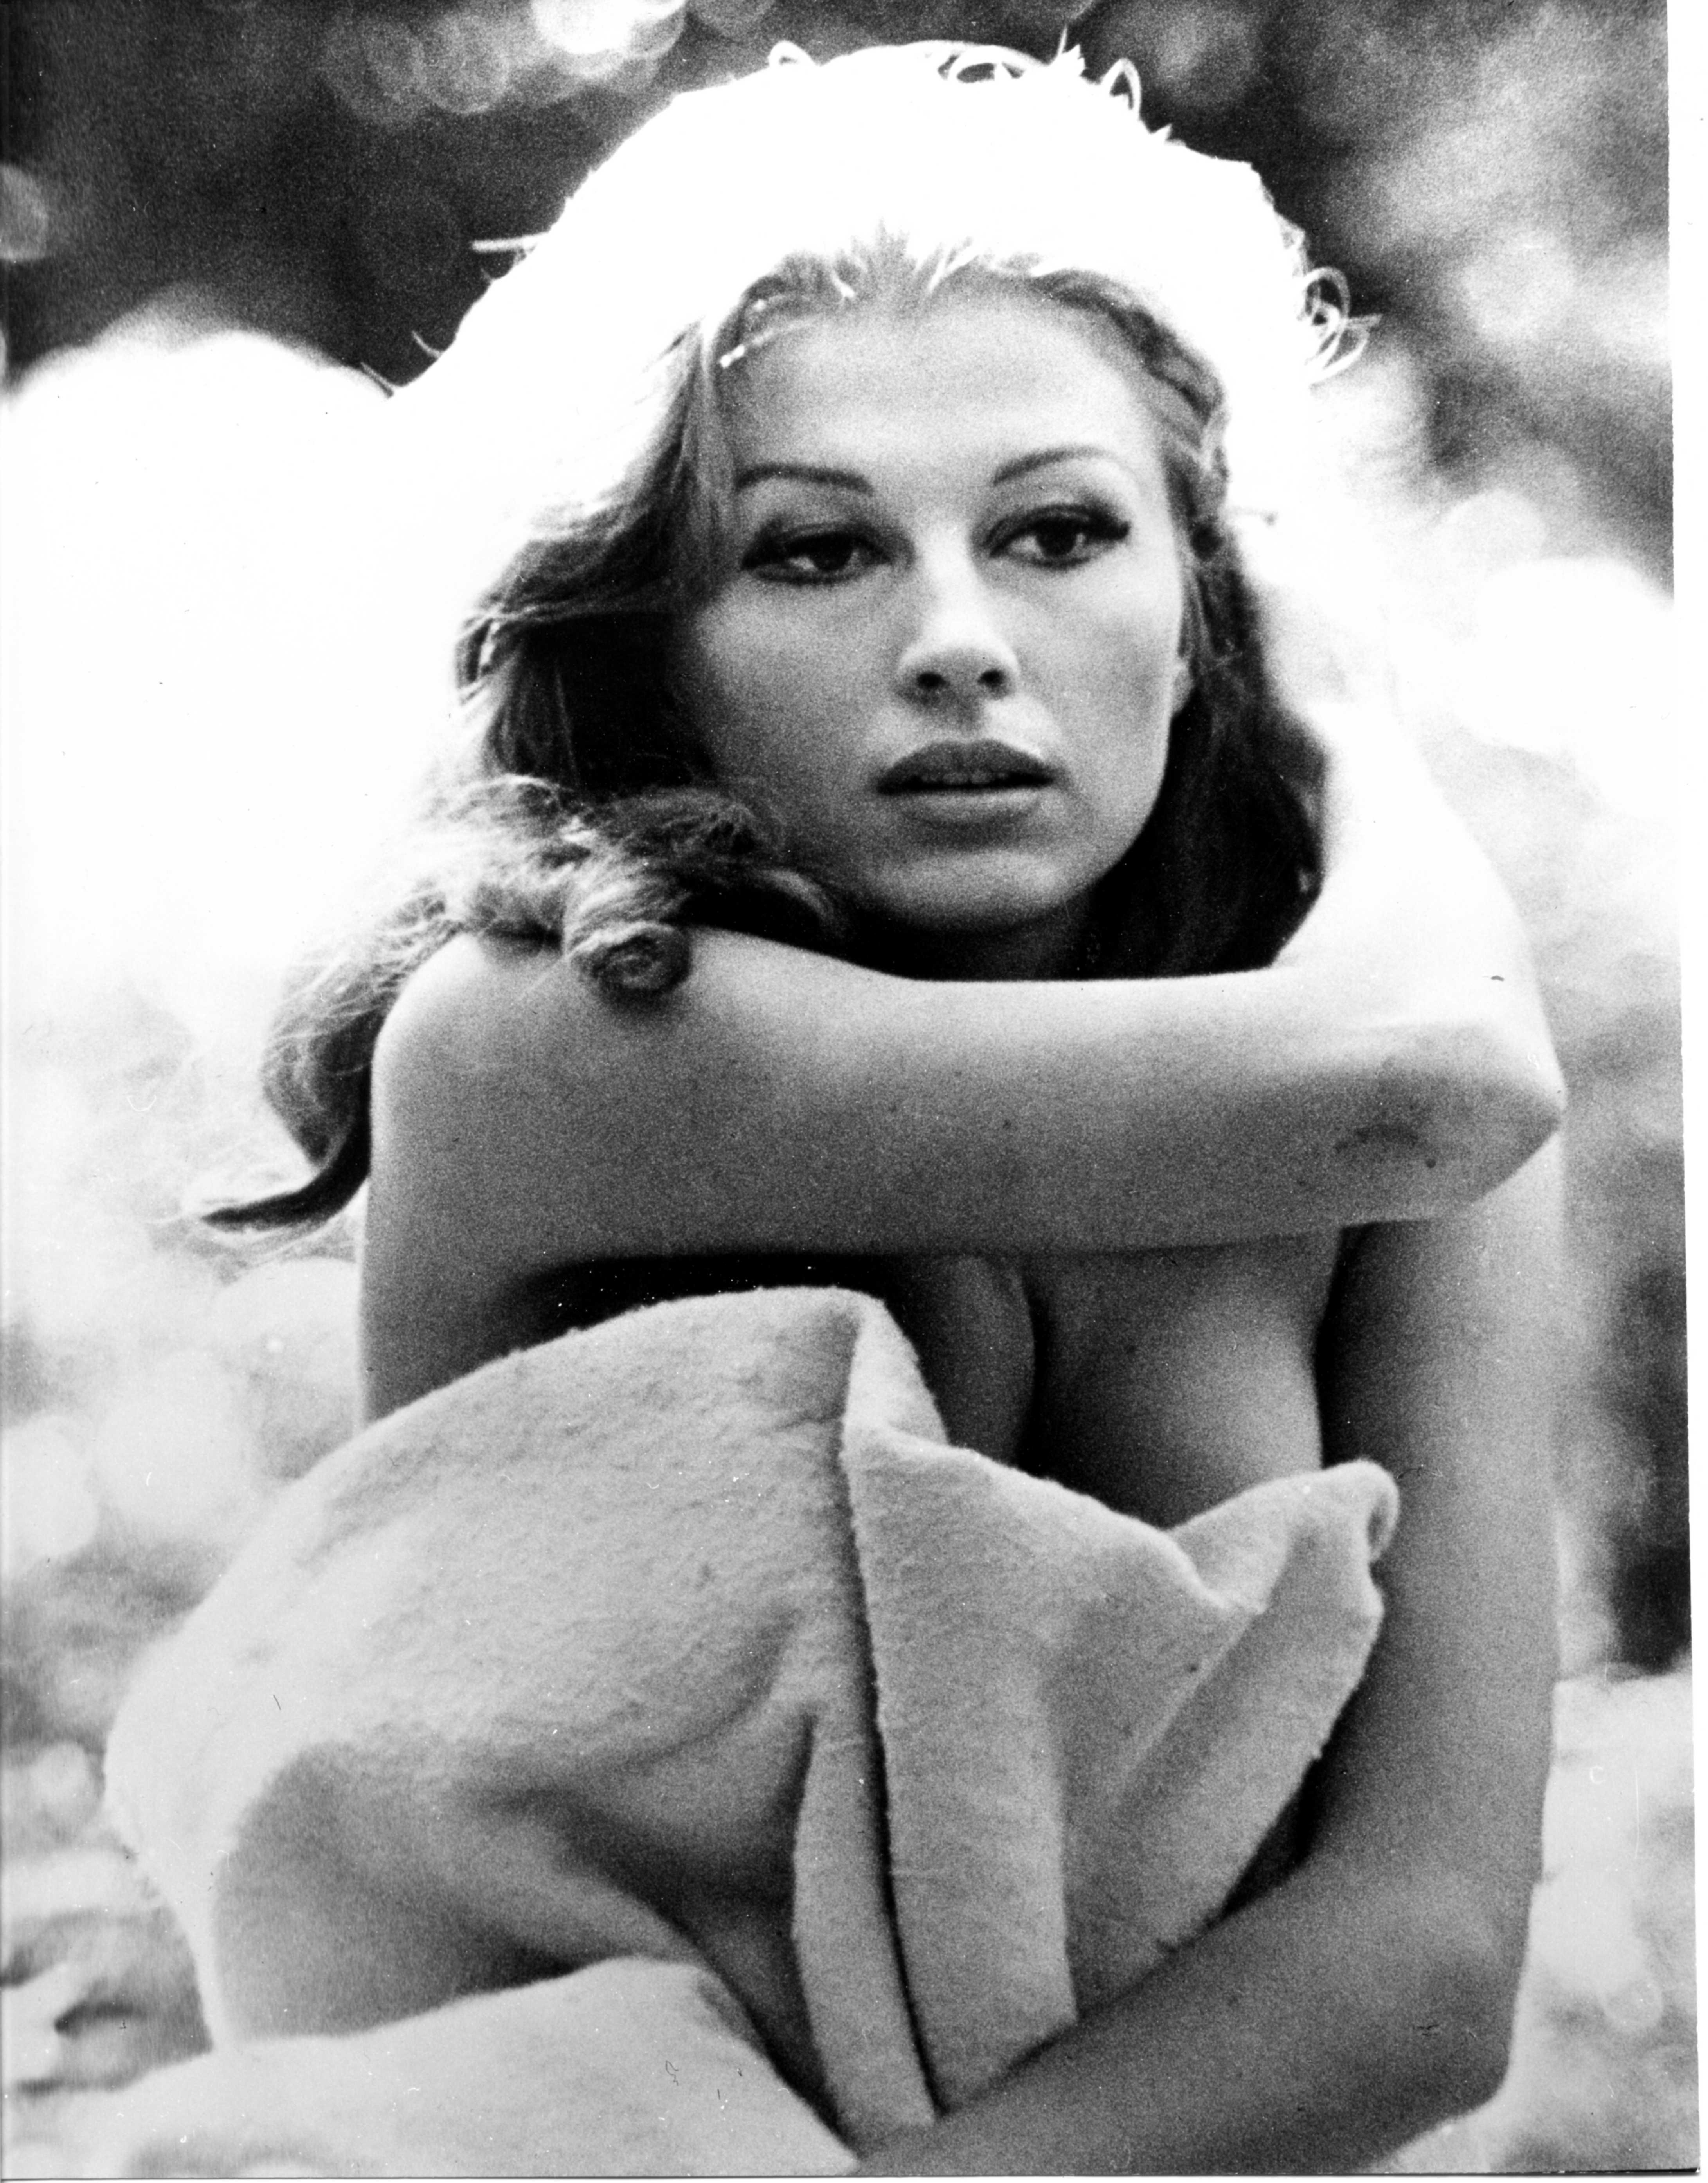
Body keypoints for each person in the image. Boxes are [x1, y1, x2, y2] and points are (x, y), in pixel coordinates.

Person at [213, 43, 1564, 2173]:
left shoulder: (1392, 1097)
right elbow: (1437, 1083)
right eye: (819, 552)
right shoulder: (552, 1039)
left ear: (1197, 613)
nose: (957, 639)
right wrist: (1352, 722)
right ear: (656, 647)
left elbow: (1424, 1964)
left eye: (1057, 533)